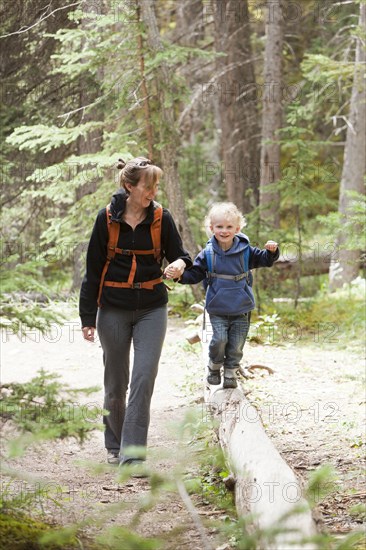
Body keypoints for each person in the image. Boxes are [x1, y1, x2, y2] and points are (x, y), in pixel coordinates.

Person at [79, 157, 192, 467]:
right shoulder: (106, 220)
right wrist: (87, 318)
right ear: (129, 186)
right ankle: (114, 444)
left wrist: (180, 264)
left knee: (144, 377)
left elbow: (181, 255)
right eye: (147, 186)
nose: (153, 191)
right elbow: (91, 271)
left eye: (155, 186)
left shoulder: (161, 218)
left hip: (151, 309)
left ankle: (134, 455)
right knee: (116, 384)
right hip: (112, 309)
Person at [164, 202, 279, 389]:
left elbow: (264, 260)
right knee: (219, 339)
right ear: (211, 228)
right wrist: (180, 275)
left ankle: (231, 371)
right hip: (217, 306)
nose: (224, 231)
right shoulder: (208, 253)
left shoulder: (246, 250)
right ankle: (214, 366)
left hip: (242, 306)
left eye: (229, 227)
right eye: (219, 227)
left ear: (237, 228)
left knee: (236, 343)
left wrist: (271, 252)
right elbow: (195, 274)